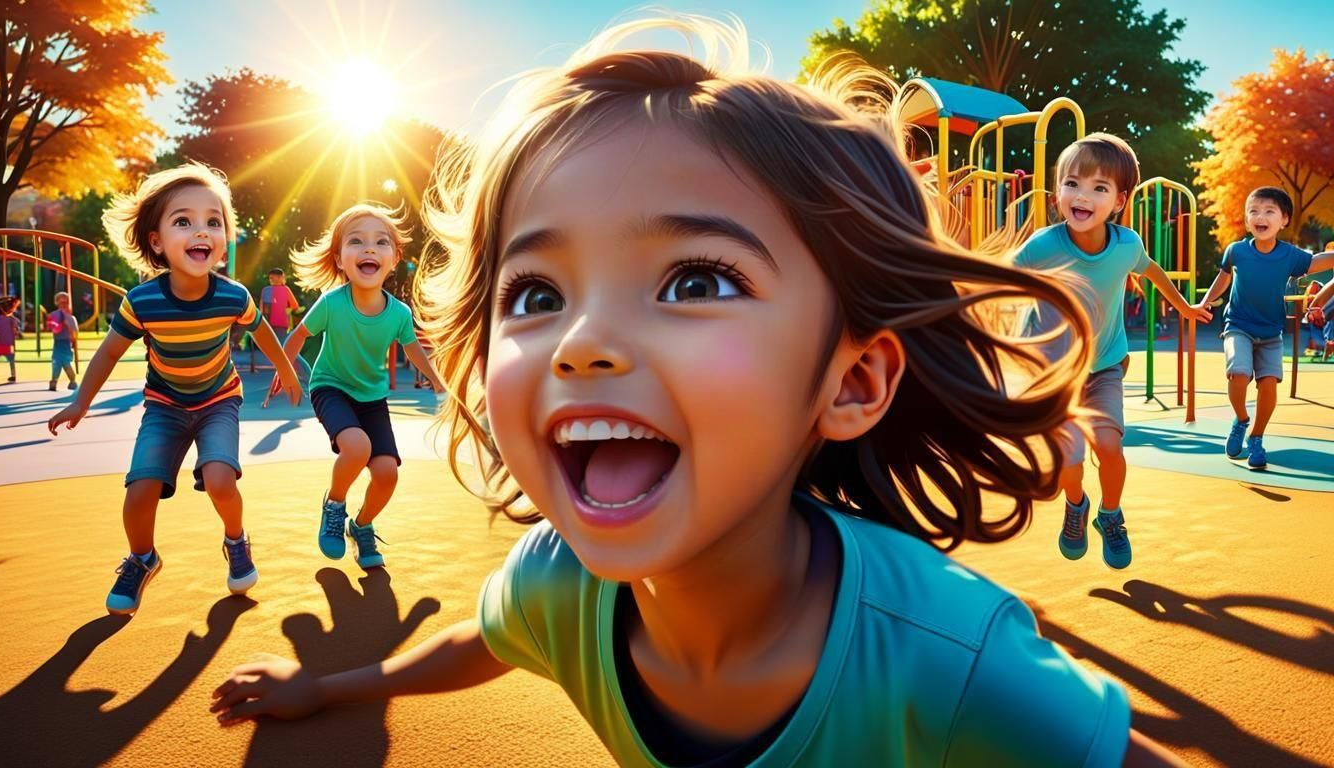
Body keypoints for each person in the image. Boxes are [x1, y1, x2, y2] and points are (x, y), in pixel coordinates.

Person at [210, 17, 1184, 766]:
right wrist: (332, 687)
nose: (584, 342)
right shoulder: (561, 583)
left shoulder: (956, 661)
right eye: (537, 293)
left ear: (851, 382)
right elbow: (486, 640)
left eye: (697, 282)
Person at [46, 162, 303, 615]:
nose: (201, 230)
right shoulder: (141, 301)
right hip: (164, 407)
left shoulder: (233, 296)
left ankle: (236, 540)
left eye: (213, 221)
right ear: (157, 241)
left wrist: (286, 368)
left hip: (218, 401)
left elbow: (262, 331)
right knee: (139, 492)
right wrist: (80, 400)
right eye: (183, 221)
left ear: (224, 239)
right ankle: (142, 558)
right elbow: (107, 353)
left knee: (221, 480)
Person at [1014, 133, 1210, 569]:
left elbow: (1152, 270)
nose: (1082, 196)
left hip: (1103, 366)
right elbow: (998, 278)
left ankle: (1111, 514)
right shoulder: (1043, 247)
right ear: (1056, 193)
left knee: (1108, 447)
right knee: (1068, 459)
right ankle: (1077, 506)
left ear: (1119, 200)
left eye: (1099, 188)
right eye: (1072, 184)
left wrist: (1186, 306)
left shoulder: (1126, 246)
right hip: (1056, 372)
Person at [266, 202, 443, 570]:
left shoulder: (399, 313)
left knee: (387, 474)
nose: (368, 249)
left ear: (394, 258)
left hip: (372, 397)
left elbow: (414, 351)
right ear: (340, 258)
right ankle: (334, 505)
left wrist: (439, 380)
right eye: (357, 242)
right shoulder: (332, 303)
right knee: (357, 447)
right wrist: (284, 370)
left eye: (380, 243)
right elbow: (298, 335)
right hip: (330, 387)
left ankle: (360, 525)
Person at [1192, 188, 1334, 468]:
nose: (1260, 216)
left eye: (1269, 211)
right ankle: (1241, 419)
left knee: (1269, 385)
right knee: (1238, 373)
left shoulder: (1290, 256)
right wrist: (1206, 302)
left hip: (1270, 332)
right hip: (1238, 325)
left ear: (1283, 220)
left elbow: (1317, 261)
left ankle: (1256, 437)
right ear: (1247, 220)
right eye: (1254, 211)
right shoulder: (1237, 251)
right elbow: (1223, 279)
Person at [47, 291, 80, 391]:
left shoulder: (71, 318)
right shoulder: (53, 315)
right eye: (61, 303)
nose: (63, 305)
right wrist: (57, 326)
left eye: (65, 303)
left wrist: (69, 328)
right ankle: (54, 381)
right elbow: (51, 327)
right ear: (57, 303)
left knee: (66, 363)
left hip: (66, 343)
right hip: (58, 342)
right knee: (56, 362)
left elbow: (75, 332)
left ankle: (72, 381)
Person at [0, 296, 21, 382]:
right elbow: (17, 331)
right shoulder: (13, 320)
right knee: (11, 361)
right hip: (9, 345)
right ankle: (13, 375)